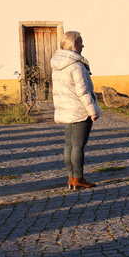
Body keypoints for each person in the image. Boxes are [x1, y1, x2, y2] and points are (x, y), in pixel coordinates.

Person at [51, 31, 100, 190]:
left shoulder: (58, 65)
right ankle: (78, 178)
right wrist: (92, 111)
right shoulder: (76, 65)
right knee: (78, 146)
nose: (83, 45)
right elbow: (83, 91)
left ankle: (71, 178)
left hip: (66, 110)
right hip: (79, 111)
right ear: (74, 44)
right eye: (80, 42)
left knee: (69, 145)